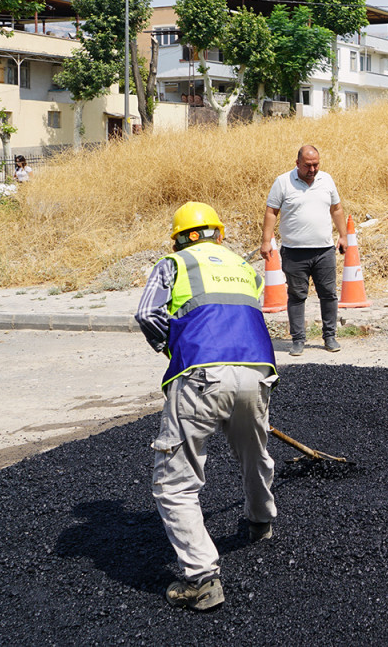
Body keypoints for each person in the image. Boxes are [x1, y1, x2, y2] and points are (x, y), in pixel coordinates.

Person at [135, 201, 278, 612]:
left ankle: (201, 579)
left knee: (174, 482)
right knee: (253, 452)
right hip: (256, 370)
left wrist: (175, 346)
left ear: (178, 239)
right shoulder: (243, 267)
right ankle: (260, 522)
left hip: (201, 375)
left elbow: (147, 313)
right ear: (219, 234)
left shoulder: (174, 265)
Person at [261, 144, 345, 355]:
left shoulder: (326, 180)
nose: (312, 169)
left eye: (316, 164)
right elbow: (271, 212)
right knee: (297, 295)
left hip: (324, 250)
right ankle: (298, 340)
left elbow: (336, 209)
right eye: (308, 165)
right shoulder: (283, 182)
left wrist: (343, 236)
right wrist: (266, 241)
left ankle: (330, 336)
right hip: (295, 252)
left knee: (328, 294)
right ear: (297, 163)